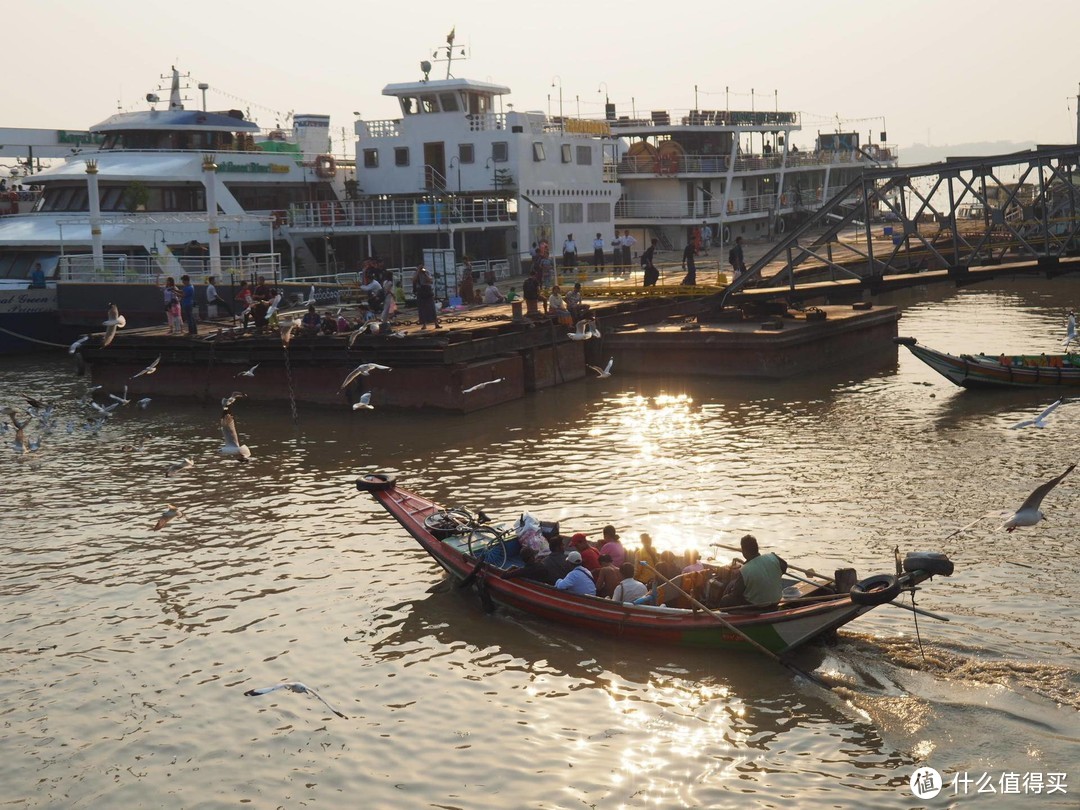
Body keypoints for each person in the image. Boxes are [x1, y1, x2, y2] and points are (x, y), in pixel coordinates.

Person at [720, 534, 788, 607]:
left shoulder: (744, 570)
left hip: (755, 606)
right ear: (757, 547)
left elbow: (736, 594)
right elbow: (784, 567)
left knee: (725, 599)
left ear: (744, 551)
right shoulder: (772, 557)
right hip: (775, 601)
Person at [414, 264, 440, 329]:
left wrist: (425, 273)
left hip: (427, 290)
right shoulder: (415, 273)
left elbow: (430, 281)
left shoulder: (427, 272)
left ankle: (436, 323)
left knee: (431, 307)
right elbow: (414, 280)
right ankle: (424, 324)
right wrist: (418, 272)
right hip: (420, 290)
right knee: (422, 309)